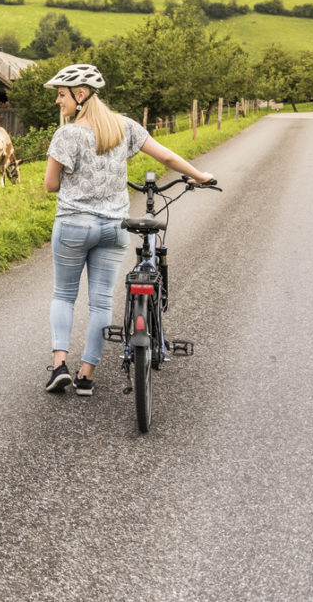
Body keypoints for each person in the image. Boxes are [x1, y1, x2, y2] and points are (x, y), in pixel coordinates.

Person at [41, 63, 215, 396]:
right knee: (101, 303)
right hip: (113, 227)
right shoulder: (124, 127)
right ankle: (87, 376)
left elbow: (50, 184)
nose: (58, 102)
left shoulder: (67, 134)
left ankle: (60, 365)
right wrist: (200, 175)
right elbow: (164, 156)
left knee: (64, 295)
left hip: (74, 224)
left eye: (61, 95)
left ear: (80, 95)